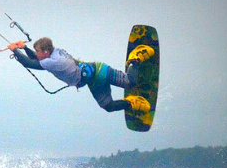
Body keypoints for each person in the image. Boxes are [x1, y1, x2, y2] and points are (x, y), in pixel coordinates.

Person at [8, 37, 154, 113]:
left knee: (131, 83)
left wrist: (14, 50)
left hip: (100, 72)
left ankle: (136, 58)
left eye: (38, 51)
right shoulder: (54, 52)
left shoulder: (53, 62)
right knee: (108, 107)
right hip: (94, 81)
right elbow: (35, 58)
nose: (37, 53)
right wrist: (24, 47)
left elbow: (29, 63)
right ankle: (133, 102)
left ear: (46, 52)